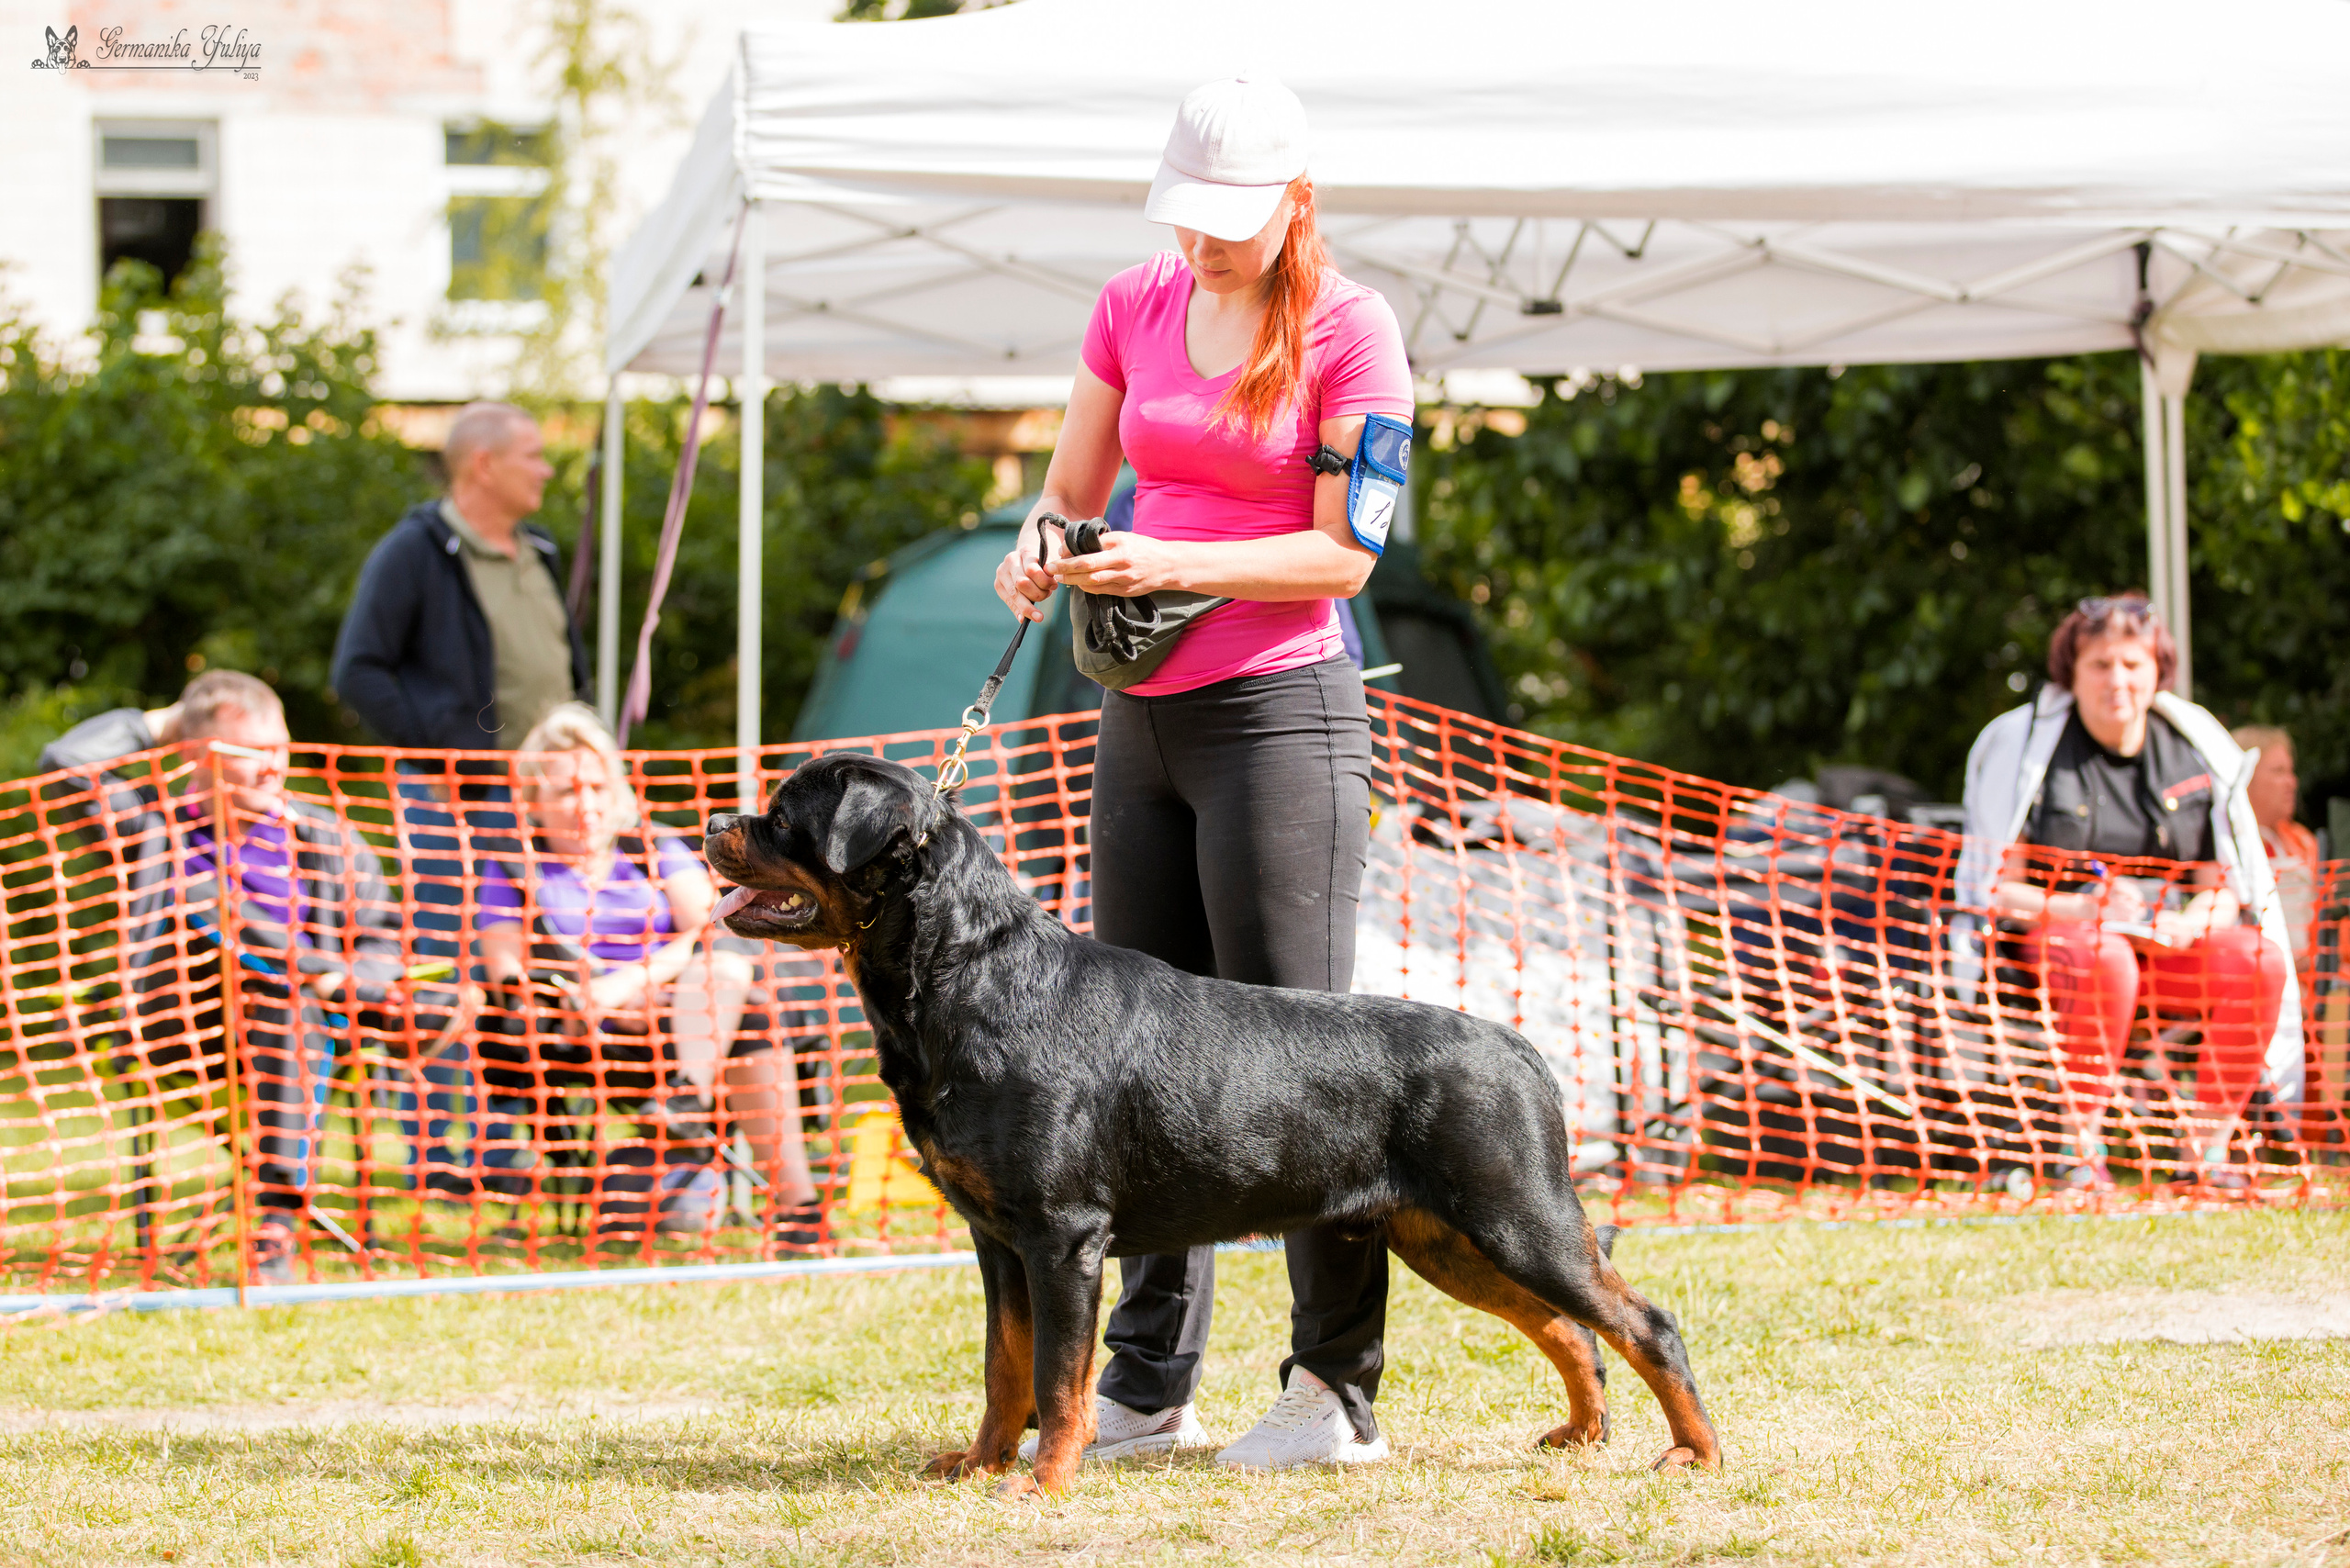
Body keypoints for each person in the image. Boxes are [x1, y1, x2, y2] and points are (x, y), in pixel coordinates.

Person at [990, 76, 1407, 1468]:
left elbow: (1346, 556)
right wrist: (1040, 546)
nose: (1203, 247)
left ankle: (1332, 1393)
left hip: (1284, 714)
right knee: (1133, 1061)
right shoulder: (1132, 303)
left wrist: (1175, 557)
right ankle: (1145, 1386)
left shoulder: (1355, 333)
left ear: (1298, 202)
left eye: (1230, 223)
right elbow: (1071, 486)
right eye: (1187, 219)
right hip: (1141, 715)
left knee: (1305, 1062)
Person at [37, 671, 451, 1282]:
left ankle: (274, 1225)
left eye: (279, 749)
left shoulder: (325, 836)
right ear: (193, 757)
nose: (271, 768)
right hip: (184, 1026)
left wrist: (360, 977)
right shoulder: (156, 832)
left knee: (287, 1001)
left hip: (304, 1024)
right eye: (251, 752)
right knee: (209, 901)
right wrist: (167, 722)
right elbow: (62, 763)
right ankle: (335, 989)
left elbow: (382, 931)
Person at [1957, 595, 2301, 1190]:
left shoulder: (2187, 748)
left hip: (2165, 948)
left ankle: (2204, 1155)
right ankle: (2077, 1153)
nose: (2117, 680)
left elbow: (2221, 886)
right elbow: (1995, 891)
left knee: (2259, 959)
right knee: (2107, 957)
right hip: (2058, 947)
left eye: (2132, 665)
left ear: (2156, 671)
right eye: (2100, 665)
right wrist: (2078, 910)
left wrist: (2195, 919)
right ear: (2073, 671)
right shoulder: (2033, 751)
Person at [473, 703, 822, 1243]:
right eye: (566, 791)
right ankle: (787, 1199)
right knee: (752, 1016)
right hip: (579, 1031)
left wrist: (636, 984)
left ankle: (697, 1113)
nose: (585, 804)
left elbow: (713, 926)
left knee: (735, 978)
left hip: (682, 1010)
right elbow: (505, 972)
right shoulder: (513, 863)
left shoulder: (648, 845)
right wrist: (588, 1001)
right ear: (534, 802)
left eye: (595, 787)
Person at [330, 399, 588, 752]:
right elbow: (358, 672)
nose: (546, 471)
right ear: (484, 465)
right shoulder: (414, 551)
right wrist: (436, 757)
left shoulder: (539, 547)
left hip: (550, 791)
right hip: (463, 794)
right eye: (532, 456)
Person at [2231, 724, 2321, 971]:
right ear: (2246, 775)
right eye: (2279, 771)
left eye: (2291, 772)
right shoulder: (2221, 843)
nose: (2292, 782)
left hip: (2312, 983)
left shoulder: (2302, 841)